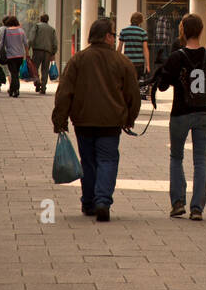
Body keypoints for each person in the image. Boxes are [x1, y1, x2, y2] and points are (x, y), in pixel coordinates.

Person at [51, 17, 140, 221]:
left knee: (88, 162)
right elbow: (133, 94)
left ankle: (89, 201)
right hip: (111, 122)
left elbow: (64, 92)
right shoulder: (122, 61)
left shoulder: (78, 60)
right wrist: (130, 118)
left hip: (83, 121)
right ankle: (102, 201)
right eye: (113, 34)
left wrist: (60, 119)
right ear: (108, 36)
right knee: (108, 160)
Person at [155, 14, 206, 220]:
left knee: (176, 157)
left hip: (181, 112)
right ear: (200, 31)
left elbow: (162, 85)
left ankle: (178, 202)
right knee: (200, 160)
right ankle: (197, 207)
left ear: (182, 30)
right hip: (205, 112)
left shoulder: (176, 57)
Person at [0, 16, 29, 98]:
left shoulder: (6, 31)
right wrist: (27, 54)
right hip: (20, 56)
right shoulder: (21, 31)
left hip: (10, 56)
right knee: (16, 73)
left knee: (14, 73)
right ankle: (13, 89)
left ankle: (15, 89)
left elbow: (2, 44)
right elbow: (26, 44)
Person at [28, 13, 58, 94]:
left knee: (35, 68)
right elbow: (55, 43)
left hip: (37, 50)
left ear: (40, 19)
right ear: (47, 20)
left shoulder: (37, 26)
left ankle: (37, 83)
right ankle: (43, 87)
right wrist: (53, 52)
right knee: (45, 70)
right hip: (48, 52)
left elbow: (31, 39)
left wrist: (28, 48)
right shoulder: (52, 29)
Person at [117, 11, 150, 84]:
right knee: (136, 83)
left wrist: (117, 61)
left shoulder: (124, 31)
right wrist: (147, 65)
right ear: (141, 21)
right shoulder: (143, 32)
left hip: (127, 62)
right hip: (139, 63)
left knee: (127, 83)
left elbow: (119, 48)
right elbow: (145, 49)